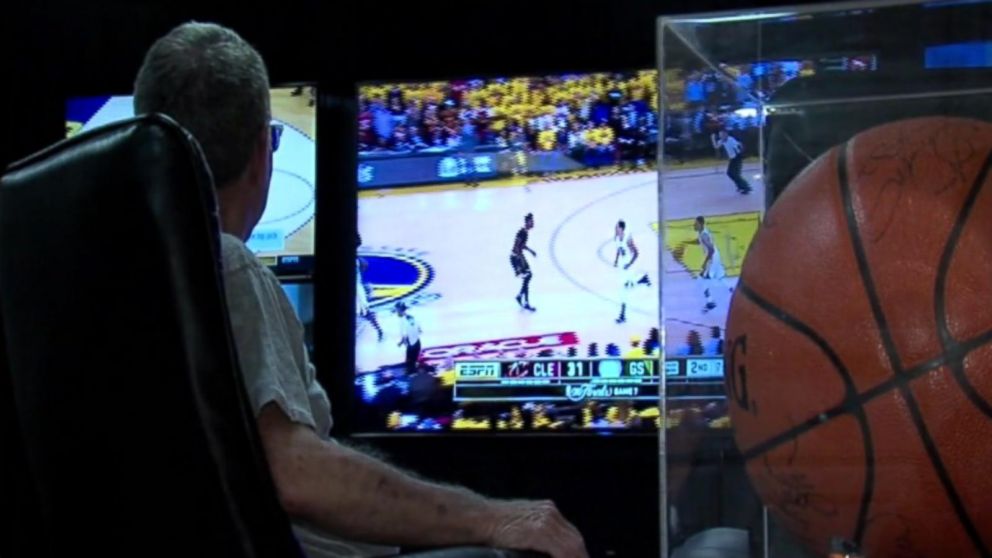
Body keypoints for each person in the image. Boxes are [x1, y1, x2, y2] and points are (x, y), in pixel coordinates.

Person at [133, 22, 586, 558]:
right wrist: (493, 519)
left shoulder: (116, 274)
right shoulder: (225, 264)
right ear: (263, 150)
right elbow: (295, 476)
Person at [612, 220, 651, 324]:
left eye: (617, 227)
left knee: (624, 290)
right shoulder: (616, 238)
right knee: (626, 288)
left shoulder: (628, 239)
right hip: (622, 267)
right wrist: (616, 260)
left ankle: (622, 315)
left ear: (621, 228)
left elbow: (636, 253)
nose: (615, 229)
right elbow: (618, 249)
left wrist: (629, 264)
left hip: (628, 267)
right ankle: (643, 280)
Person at [510, 213, 537, 312]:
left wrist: (530, 251)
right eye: (531, 221)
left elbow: (522, 245)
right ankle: (524, 301)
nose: (533, 223)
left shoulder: (525, 232)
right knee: (528, 276)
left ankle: (521, 296)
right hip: (517, 258)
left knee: (528, 276)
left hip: (519, 257)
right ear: (527, 222)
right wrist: (519, 259)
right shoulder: (522, 232)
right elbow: (517, 245)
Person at [712, 129, 751, 194]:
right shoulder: (722, 141)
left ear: (726, 135)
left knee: (735, 174)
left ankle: (746, 187)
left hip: (737, 158)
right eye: (720, 135)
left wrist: (739, 151)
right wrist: (712, 139)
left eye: (722, 135)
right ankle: (740, 186)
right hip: (732, 159)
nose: (721, 137)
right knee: (730, 173)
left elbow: (739, 145)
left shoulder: (731, 140)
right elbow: (716, 147)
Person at [395, 301, 421, 376]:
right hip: (417, 342)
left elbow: (405, 336)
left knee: (410, 367)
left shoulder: (402, 321)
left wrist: (400, 343)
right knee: (414, 363)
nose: (396, 312)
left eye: (397, 310)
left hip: (411, 345)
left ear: (400, 310)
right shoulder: (412, 317)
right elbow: (419, 329)